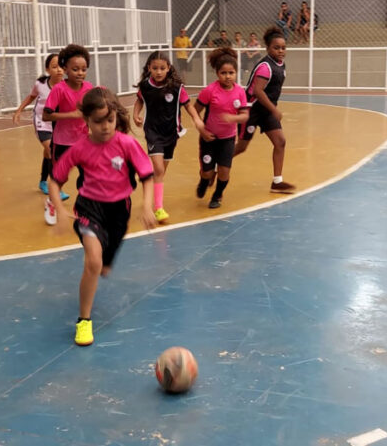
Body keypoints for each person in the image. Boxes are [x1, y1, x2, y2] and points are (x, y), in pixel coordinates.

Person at [48, 87, 156, 346]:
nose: (106, 127)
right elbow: (55, 181)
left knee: (105, 263)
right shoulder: (79, 149)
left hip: (120, 210)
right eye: (98, 121)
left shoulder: (127, 143)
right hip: (89, 207)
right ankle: (84, 321)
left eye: (110, 120)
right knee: (94, 262)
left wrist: (147, 206)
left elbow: (147, 176)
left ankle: (105, 260)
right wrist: (60, 210)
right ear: (86, 120)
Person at [132, 51, 205, 222]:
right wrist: (136, 114)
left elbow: (188, 106)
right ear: (149, 68)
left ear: (168, 69)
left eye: (162, 68)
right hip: (152, 132)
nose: (158, 71)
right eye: (155, 68)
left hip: (171, 133)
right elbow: (139, 100)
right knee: (158, 169)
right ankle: (158, 208)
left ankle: (150, 183)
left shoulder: (177, 88)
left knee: (161, 171)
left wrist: (196, 119)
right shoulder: (145, 86)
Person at [235, 26, 296, 193]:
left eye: (283, 48)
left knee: (280, 142)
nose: (281, 51)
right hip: (252, 110)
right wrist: (274, 110)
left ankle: (277, 181)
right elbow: (257, 91)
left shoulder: (281, 64)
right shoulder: (265, 67)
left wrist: (271, 110)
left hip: (266, 111)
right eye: (276, 48)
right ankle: (219, 164)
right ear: (268, 48)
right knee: (241, 147)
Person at [42, 44, 93, 225]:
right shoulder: (59, 90)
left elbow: (91, 112)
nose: (80, 73)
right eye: (75, 69)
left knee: (88, 177)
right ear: (65, 69)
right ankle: (51, 202)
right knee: (60, 179)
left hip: (84, 142)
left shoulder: (88, 88)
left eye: (83, 69)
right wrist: (71, 115)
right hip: (63, 142)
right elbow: (46, 114)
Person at [194, 48, 249, 209]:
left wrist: (234, 118)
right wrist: (202, 130)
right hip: (209, 138)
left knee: (224, 171)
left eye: (231, 72)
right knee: (207, 172)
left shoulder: (239, 92)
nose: (228, 76)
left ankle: (217, 195)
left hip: (228, 139)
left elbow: (245, 115)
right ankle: (204, 181)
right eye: (223, 73)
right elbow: (194, 111)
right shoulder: (209, 91)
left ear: (236, 73)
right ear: (217, 73)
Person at [13, 53, 65, 196]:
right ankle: (55, 187)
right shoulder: (40, 84)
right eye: (54, 67)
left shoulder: (66, 86)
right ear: (48, 69)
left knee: (48, 152)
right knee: (50, 149)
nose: (59, 70)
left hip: (56, 123)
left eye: (61, 66)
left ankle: (42, 181)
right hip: (41, 121)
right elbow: (31, 97)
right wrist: (19, 111)